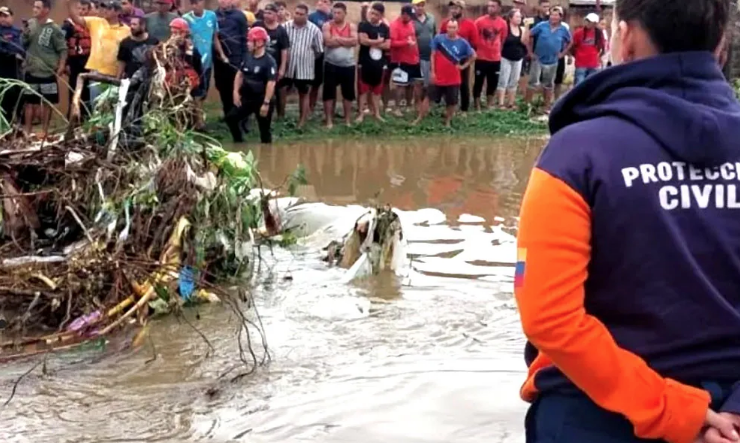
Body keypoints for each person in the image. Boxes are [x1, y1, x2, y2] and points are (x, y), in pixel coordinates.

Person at [515, 0, 740, 442]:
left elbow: (549, 317)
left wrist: (672, 410)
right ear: (721, 44)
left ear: (625, 37)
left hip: (595, 415)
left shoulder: (576, 153)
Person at [67, 0, 131, 105]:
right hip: (97, 73)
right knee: (95, 106)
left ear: (118, 11)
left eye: (108, 8)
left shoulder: (127, 30)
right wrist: (69, 4)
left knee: (110, 109)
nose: (104, 10)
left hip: (115, 75)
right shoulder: (95, 22)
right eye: (103, 8)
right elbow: (76, 19)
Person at [414, 19, 474, 127]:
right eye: (449, 27)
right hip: (438, 76)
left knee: (451, 102)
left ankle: (447, 121)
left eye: (454, 27)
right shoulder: (438, 39)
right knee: (428, 97)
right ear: (446, 28)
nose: (451, 30)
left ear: (457, 29)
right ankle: (419, 118)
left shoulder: (463, 42)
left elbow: (473, 56)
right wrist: (432, 71)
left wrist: (463, 66)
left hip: (453, 78)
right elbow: (432, 55)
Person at [22, 0, 67, 137]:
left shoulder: (54, 28)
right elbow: (24, 44)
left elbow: (63, 49)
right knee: (29, 103)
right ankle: (28, 131)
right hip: (31, 70)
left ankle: (45, 131)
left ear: (46, 10)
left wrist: (61, 66)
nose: (34, 9)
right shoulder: (30, 24)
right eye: (34, 7)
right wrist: (24, 33)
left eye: (38, 7)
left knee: (47, 103)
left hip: (48, 72)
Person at [228, 26, 277, 144]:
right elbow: (240, 74)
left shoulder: (269, 61)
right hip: (247, 98)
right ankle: (239, 142)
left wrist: (266, 103)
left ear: (259, 42)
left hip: (262, 99)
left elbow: (271, 83)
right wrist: (235, 92)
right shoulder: (247, 57)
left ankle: (267, 155)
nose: (248, 44)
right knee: (231, 118)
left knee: (264, 131)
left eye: (250, 41)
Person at [184, 0, 227, 129]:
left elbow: (215, 38)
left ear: (203, 3)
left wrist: (222, 54)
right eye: (192, 3)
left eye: (196, 3)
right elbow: (184, 40)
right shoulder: (186, 19)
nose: (194, 6)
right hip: (192, 62)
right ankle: (197, 121)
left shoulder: (211, 16)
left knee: (203, 90)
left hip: (207, 61)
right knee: (192, 91)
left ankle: (198, 117)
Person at [283, 3, 323, 129]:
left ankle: (302, 121)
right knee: (282, 91)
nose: (298, 16)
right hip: (287, 67)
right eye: (297, 13)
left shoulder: (315, 30)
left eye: (302, 14)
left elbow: (319, 51)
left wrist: (305, 57)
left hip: (305, 68)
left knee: (304, 93)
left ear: (307, 15)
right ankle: (280, 117)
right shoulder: (285, 27)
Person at [525, 6, 569, 111]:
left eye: (556, 15)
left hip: (553, 61)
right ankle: (527, 105)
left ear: (560, 17)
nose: (553, 17)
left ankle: (546, 106)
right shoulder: (541, 26)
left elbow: (570, 42)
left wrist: (563, 53)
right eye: (552, 15)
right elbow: (528, 35)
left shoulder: (563, 29)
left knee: (548, 84)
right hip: (538, 59)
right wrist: (530, 52)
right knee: (532, 82)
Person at [322, 2, 356, 128]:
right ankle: (329, 121)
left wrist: (337, 38)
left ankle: (347, 120)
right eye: (334, 12)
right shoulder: (327, 25)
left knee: (348, 94)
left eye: (339, 13)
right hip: (331, 64)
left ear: (345, 13)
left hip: (348, 65)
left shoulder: (351, 26)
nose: (335, 15)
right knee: (329, 93)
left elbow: (354, 41)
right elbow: (328, 42)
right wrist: (345, 41)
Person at [253, 3, 289, 119]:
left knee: (279, 92)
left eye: (270, 13)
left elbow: (284, 50)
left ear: (276, 14)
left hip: (275, 66)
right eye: (265, 13)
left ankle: (281, 116)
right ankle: (261, 115)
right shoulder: (257, 25)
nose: (266, 15)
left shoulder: (281, 31)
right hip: (259, 65)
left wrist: (283, 68)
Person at [440, 0, 477, 114]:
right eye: (452, 8)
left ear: (462, 9)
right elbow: (440, 40)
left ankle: (464, 109)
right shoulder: (445, 23)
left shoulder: (470, 24)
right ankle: (451, 108)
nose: (453, 10)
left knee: (464, 83)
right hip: (448, 59)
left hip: (463, 59)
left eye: (456, 8)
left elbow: (475, 44)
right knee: (449, 84)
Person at [356, 1, 389, 124]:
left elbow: (388, 45)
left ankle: (377, 113)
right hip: (365, 63)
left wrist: (372, 42)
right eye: (371, 13)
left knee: (377, 90)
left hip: (379, 64)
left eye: (376, 14)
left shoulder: (385, 28)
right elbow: (363, 41)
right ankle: (360, 114)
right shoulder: (364, 25)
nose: (373, 16)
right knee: (363, 90)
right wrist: (378, 42)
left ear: (381, 15)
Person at [214, 0, 248, 117]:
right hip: (219, 60)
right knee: (222, 86)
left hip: (236, 58)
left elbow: (245, 39)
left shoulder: (239, 16)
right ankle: (228, 114)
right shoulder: (214, 16)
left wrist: (245, 58)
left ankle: (241, 116)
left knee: (238, 86)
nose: (223, 1)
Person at [473, 0, 507, 110]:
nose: (490, 8)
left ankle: (489, 104)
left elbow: (502, 39)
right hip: (481, 58)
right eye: (489, 6)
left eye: (493, 6)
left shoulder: (503, 23)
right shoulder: (479, 21)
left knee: (493, 83)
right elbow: (474, 38)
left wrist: (497, 52)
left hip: (495, 59)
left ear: (499, 8)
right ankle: (477, 105)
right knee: (478, 82)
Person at [389, 5, 420, 117]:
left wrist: (416, 55)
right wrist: (406, 43)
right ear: (404, 14)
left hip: (413, 59)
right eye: (409, 16)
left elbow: (413, 39)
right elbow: (392, 43)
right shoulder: (395, 25)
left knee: (411, 84)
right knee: (400, 84)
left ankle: (408, 105)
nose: (411, 18)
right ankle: (397, 108)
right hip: (400, 60)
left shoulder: (411, 23)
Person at [62, 0, 92, 117]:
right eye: (79, 9)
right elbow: (63, 45)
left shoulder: (92, 24)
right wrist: (66, 64)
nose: (81, 12)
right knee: (74, 90)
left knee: (87, 91)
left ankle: (85, 117)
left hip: (88, 62)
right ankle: (72, 118)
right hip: (74, 62)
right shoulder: (68, 25)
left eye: (84, 9)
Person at [496, 8, 527, 109]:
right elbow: (501, 42)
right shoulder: (506, 28)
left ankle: (511, 102)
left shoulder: (522, 29)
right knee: (503, 80)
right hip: (505, 57)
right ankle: (501, 103)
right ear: (510, 18)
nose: (519, 18)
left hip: (518, 58)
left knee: (514, 81)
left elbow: (524, 42)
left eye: (520, 17)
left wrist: (526, 28)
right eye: (517, 16)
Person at [0, 6, 24, 125]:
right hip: (3, 68)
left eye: (5, 16)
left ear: (12, 17)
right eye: (0, 16)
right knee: (5, 95)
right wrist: (11, 55)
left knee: (18, 93)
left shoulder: (18, 31)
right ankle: (6, 121)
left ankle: (17, 120)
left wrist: (20, 54)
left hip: (16, 69)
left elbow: (22, 47)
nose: (3, 19)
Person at [307, 0, 332, 113]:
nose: (321, 3)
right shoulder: (312, 16)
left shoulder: (332, 17)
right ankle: (306, 108)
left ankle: (312, 107)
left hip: (327, 54)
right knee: (308, 82)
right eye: (320, 0)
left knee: (318, 82)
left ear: (330, 4)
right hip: (312, 54)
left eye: (325, 1)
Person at [412, 0, 436, 99]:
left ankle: (427, 105)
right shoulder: (411, 19)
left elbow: (434, 34)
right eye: (418, 5)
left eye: (422, 5)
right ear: (413, 6)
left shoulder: (431, 18)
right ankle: (417, 105)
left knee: (429, 82)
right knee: (418, 83)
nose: (420, 7)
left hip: (431, 56)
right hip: (417, 56)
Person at [571, 13, 604, 85]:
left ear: (595, 23)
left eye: (590, 21)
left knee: (591, 85)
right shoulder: (578, 32)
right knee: (579, 84)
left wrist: (598, 57)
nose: (588, 23)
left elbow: (602, 48)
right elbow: (572, 46)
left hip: (593, 64)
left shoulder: (599, 33)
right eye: (587, 21)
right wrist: (576, 56)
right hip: (581, 63)